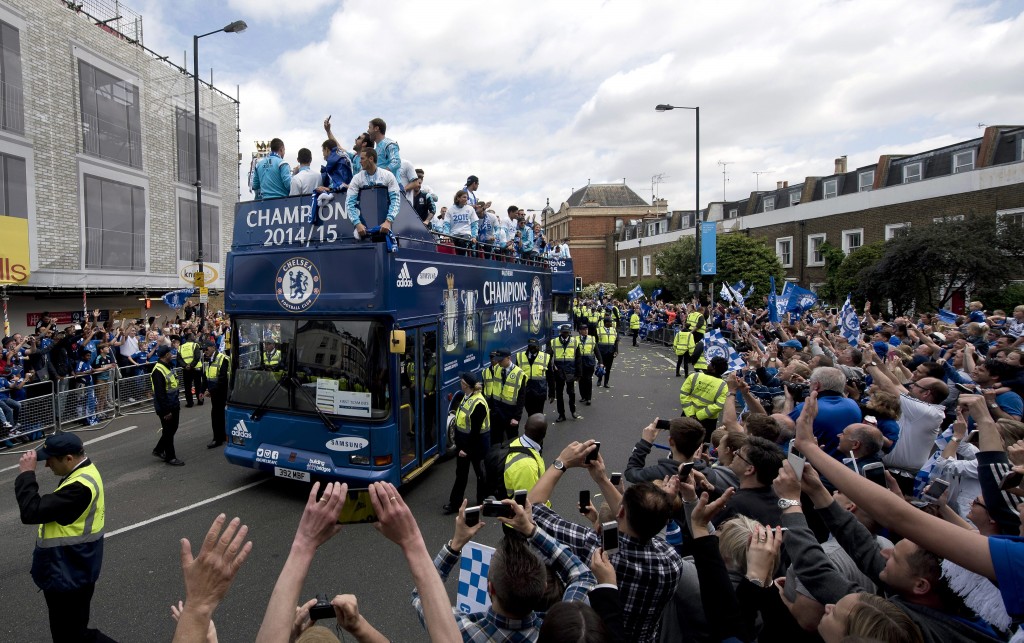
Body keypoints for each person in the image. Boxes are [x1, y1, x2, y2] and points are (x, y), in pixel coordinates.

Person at [527, 440, 683, 643]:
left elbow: (533, 508)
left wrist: (561, 462)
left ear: (620, 511)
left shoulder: (594, 548)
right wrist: (601, 479)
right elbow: (639, 515)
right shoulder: (671, 561)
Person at [14, 433, 112, 643]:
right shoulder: (85, 472)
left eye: (50, 459)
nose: (47, 465)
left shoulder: (79, 488)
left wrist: (26, 475)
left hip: (69, 573)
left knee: (72, 636)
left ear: (68, 458)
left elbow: (31, 511)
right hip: (75, 568)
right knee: (71, 633)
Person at [442, 372, 490, 515]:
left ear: (466, 385)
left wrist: (466, 450)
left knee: (480, 473)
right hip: (464, 445)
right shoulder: (466, 397)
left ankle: (483, 501)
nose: (460, 384)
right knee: (461, 474)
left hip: (477, 446)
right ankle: (455, 504)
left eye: (462, 382)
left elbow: (475, 432)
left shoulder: (479, 403)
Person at [345, 148, 400, 239]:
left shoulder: (388, 175)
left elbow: (396, 200)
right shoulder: (356, 178)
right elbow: (349, 202)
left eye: (362, 159)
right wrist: (357, 223)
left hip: (385, 226)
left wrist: (388, 221)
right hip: (364, 228)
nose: (360, 162)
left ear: (371, 159)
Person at [680, 355, 729, 439]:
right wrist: (699, 415)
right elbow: (719, 405)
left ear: (713, 367)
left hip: (687, 415)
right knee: (702, 445)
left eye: (710, 363)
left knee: (681, 440)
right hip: (708, 421)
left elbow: (684, 394)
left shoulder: (694, 376)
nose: (708, 364)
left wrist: (691, 414)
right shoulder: (723, 385)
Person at [152, 346, 184, 466]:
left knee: (172, 429)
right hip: (166, 407)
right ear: (166, 355)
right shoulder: (158, 370)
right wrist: (166, 411)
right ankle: (170, 457)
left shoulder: (168, 366)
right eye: (170, 353)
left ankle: (159, 449)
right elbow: (160, 394)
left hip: (173, 403)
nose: (172, 354)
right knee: (169, 431)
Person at [502, 413, 547, 498]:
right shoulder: (527, 466)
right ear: (544, 435)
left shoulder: (516, 442)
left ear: (525, 426)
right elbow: (529, 503)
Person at [489, 349, 528, 442]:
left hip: (510, 413)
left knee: (512, 440)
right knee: (495, 440)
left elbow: (521, 398)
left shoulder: (519, 374)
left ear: (508, 358)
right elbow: (494, 388)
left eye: (501, 360)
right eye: (497, 360)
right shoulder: (497, 368)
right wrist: (491, 407)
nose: (498, 362)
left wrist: (517, 417)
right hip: (497, 412)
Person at [548, 324, 581, 422]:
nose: (565, 334)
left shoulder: (575, 342)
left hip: (570, 371)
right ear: (560, 332)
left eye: (567, 332)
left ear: (569, 333)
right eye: (563, 332)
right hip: (559, 372)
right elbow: (548, 357)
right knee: (559, 394)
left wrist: (579, 374)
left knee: (571, 393)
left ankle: (573, 411)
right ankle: (561, 414)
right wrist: (551, 368)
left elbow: (578, 359)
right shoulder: (553, 342)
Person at [203, 342, 229, 448]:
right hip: (214, 391)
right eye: (204, 350)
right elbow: (206, 375)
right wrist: (202, 390)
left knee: (216, 415)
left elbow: (222, 379)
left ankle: (217, 439)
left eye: (207, 349)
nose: (205, 351)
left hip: (221, 391)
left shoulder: (223, 358)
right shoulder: (208, 359)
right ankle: (221, 436)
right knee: (219, 414)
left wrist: (211, 391)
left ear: (214, 347)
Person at [318, 116, 353, 192]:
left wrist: (329, 188)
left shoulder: (333, 161)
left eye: (323, 151)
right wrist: (328, 131)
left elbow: (339, 182)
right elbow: (337, 146)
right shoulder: (344, 155)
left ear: (327, 149)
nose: (323, 155)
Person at [516, 338, 550, 416]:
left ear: (538, 347)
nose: (533, 348)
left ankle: (538, 427)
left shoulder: (545, 357)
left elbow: (550, 375)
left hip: (540, 391)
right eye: (531, 346)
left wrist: (551, 393)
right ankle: (533, 426)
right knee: (530, 413)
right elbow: (517, 375)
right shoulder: (520, 356)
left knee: (539, 413)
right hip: (527, 391)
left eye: (535, 347)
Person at [442, 190, 477, 255]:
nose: (466, 199)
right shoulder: (450, 210)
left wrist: (474, 236)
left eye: (467, 197)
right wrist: (446, 235)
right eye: (464, 197)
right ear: (458, 198)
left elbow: (474, 224)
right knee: (450, 244)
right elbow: (446, 224)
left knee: (462, 242)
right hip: (454, 234)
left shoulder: (470, 209)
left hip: (466, 233)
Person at [178, 333, 203, 408]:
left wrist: (185, 366)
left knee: (187, 387)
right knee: (198, 385)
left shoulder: (180, 347)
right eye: (193, 336)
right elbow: (197, 357)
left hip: (186, 370)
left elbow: (179, 359)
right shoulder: (195, 345)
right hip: (196, 368)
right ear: (190, 337)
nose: (194, 337)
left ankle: (190, 403)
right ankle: (200, 400)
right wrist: (191, 365)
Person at [577, 324, 598, 405]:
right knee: (581, 380)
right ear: (580, 331)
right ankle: (583, 396)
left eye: (587, 329)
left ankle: (588, 398)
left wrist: (601, 362)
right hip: (579, 363)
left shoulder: (592, 339)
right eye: (584, 330)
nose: (586, 331)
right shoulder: (575, 340)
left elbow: (596, 350)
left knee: (588, 380)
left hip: (589, 362)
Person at [596, 315, 618, 388]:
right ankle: (599, 379)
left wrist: (616, 351)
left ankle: (606, 382)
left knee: (608, 368)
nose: (611, 323)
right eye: (610, 322)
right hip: (602, 352)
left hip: (610, 352)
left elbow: (616, 341)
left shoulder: (614, 330)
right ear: (606, 323)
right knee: (601, 367)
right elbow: (596, 342)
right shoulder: (599, 330)